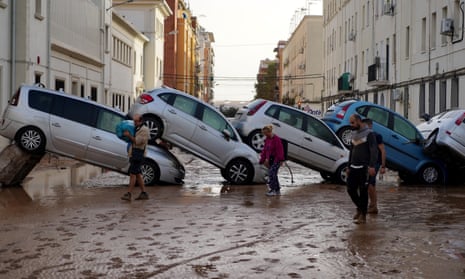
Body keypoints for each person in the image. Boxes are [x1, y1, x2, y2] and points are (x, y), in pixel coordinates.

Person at [346, 114, 378, 224]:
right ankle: (360, 208)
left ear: (359, 121)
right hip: (353, 167)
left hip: (365, 168)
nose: (351, 125)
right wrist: (349, 166)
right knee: (350, 189)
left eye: (353, 123)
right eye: (350, 123)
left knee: (363, 191)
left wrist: (372, 166)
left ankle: (363, 216)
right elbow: (351, 151)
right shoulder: (353, 133)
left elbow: (374, 151)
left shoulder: (370, 134)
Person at [121, 114, 150, 201]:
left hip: (138, 154)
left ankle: (129, 194)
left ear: (141, 121)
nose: (134, 123)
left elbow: (138, 142)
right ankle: (144, 193)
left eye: (136, 121)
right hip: (134, 153)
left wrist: (129, 135)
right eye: (134, 121)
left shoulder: (144, 130)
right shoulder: (137, 128)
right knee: (137, 174)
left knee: (133, 174)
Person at [362, 118, 386, 214]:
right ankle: (372, 206)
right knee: (369, 185)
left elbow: (383, 150)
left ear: (370, 125)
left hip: (375, 163)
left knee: (370, 184)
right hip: (367, 163)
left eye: (365, 126)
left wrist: (383, 166)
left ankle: (373, 206)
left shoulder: (377, 136)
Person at [259, 125, 285, 196]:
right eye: (264, 134)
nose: (265, 135)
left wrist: (281, 160)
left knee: (271, 174)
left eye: (266, 133)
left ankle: (272, 190)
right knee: (274, 175)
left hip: (277, 160)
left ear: (269, 132)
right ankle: (277, 190)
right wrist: (262, 160)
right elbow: (264, 150)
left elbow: (280, 150)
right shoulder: (267, 139)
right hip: (270, 160)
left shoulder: (277, 139)